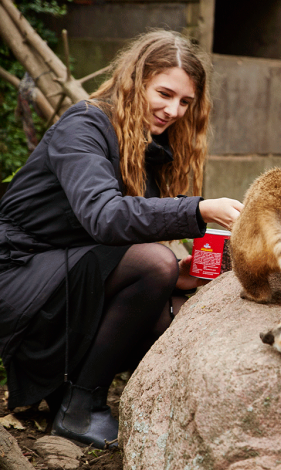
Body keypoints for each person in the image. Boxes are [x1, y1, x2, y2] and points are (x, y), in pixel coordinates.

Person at [0, 30, 244, 449]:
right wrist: (197, 209)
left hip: (70, 269)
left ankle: (81, 393)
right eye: (164, 93)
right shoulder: (84, 127)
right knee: (154, 265)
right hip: (19, 272)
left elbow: (122, 236)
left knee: (176, 310)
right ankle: (81, 406)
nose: (173, 111)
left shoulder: (148, 144)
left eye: (185, 102)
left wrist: (181, 273)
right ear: (136, 80)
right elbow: (105, 217)